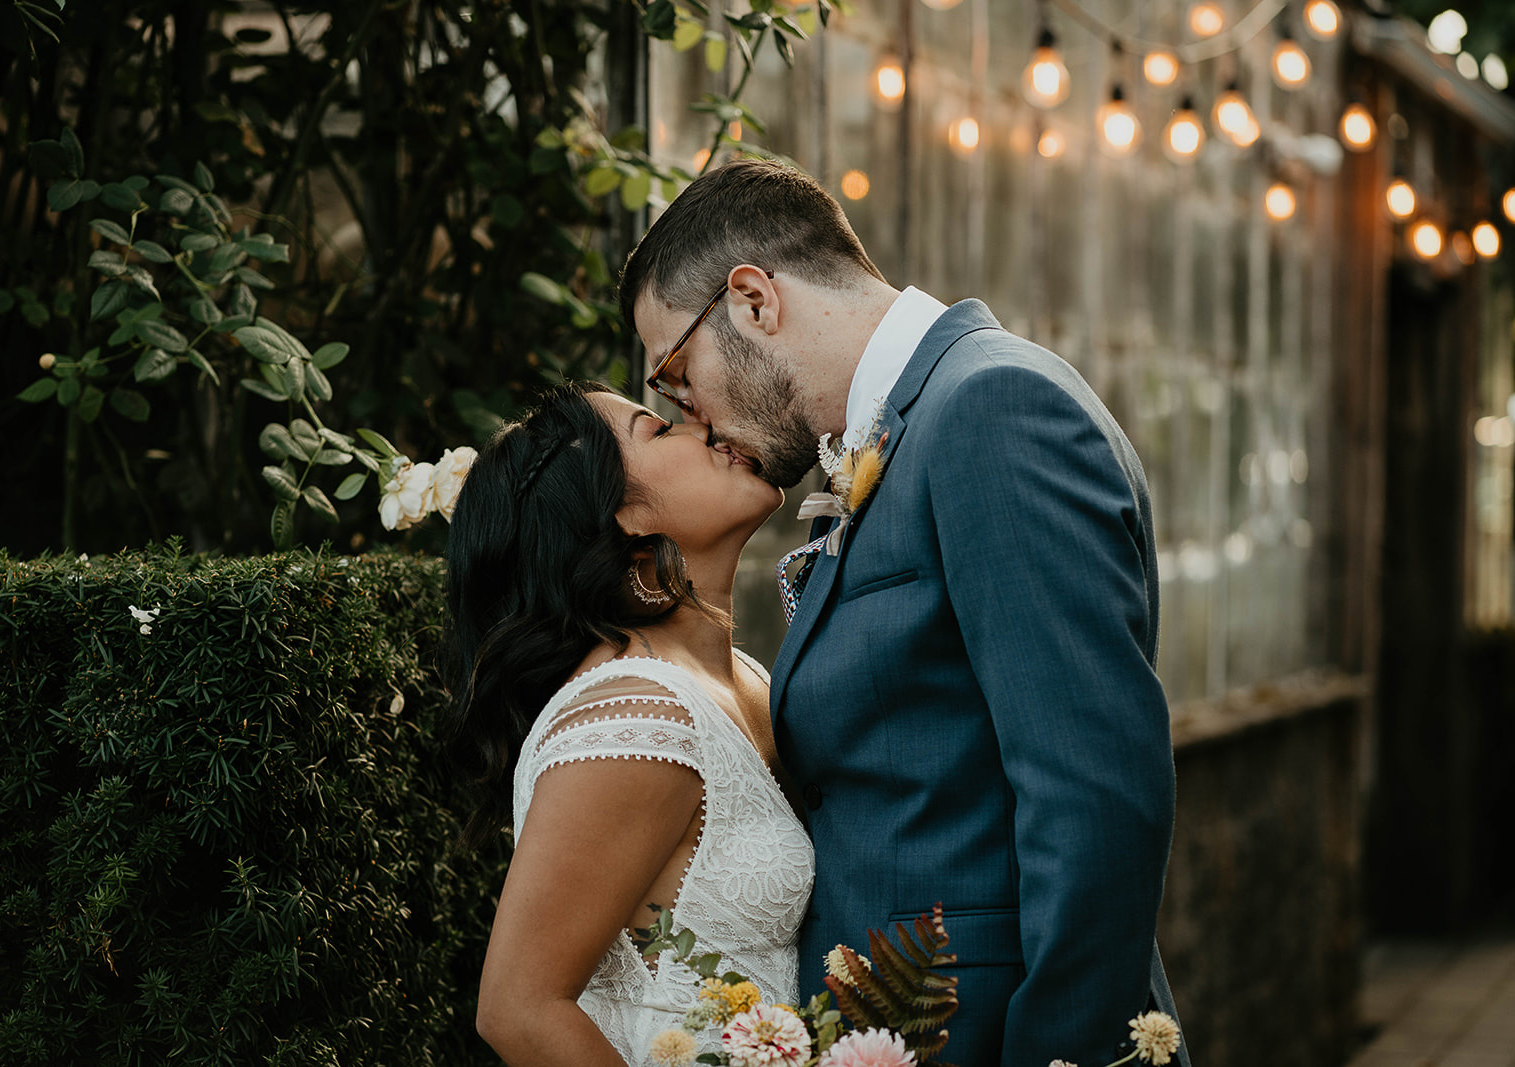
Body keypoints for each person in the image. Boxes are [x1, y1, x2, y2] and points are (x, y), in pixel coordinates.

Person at [617, 157, 1189, 1067]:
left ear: (754, 299)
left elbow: (1096, 794)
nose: (694, 418)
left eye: (679, 376)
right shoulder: (908, 432)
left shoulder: (993, 408)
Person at [440, 381, 814, 1066]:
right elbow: (518, 1009)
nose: (701, 426)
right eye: (658, 428)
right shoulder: (632, 719)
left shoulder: (746, 679)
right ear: (624, 514)